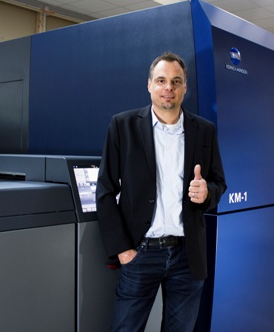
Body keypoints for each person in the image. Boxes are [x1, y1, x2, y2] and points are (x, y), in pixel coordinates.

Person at [96, 51, 227, 332]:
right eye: (162, 80)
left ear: (185, 88)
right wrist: (122, 250)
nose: (169, 87)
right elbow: (105, 191)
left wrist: (207, 193)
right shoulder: (123, 126)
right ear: (149, 85)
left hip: (187, 254)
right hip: (140, 252)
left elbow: (219, 182)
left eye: (176, 81)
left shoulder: (204, 130)